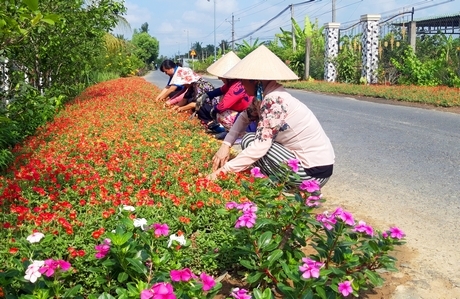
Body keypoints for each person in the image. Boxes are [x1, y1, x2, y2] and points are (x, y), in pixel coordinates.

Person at [208, 45, 335, 187]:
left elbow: (260, 146)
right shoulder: (265, 96)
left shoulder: (274, 100)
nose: (242, 85)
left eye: (243, 80)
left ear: (254, 81)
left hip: (312, 173)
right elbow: (245, 117)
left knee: (251, 141)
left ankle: (279, 186)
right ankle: (273, 183)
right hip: (314, 166)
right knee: (251, 139)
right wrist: (225, 145)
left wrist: (222, 172)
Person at [196, 51, 254, 140]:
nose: (219, 78)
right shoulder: (235, 83)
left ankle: (236, 133)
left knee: (220, 114)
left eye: (221, 76)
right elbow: (221, 90)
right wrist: (208, 95)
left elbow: (222, 106)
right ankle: (230, 131)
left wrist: (213, 110)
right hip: (244, 114)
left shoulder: (236, 87)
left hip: (246, 117)